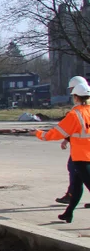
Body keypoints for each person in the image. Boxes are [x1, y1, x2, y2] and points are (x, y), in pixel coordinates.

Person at [37, 77, 90, 223]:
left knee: (83, 184)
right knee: (77, 186)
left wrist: (39, 134)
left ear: (76, 97)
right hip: (83, 156)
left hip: (81, 157)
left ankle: (69, 211)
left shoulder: (75, 114)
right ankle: (68, 213)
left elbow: (57, 132)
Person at [56, 77, 87, 206]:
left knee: (75, 169)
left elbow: (77, 125)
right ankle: (71, 197)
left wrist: (64, 139)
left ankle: (71, 195)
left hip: (83, 147)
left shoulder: (81, 108)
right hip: (83, 145)